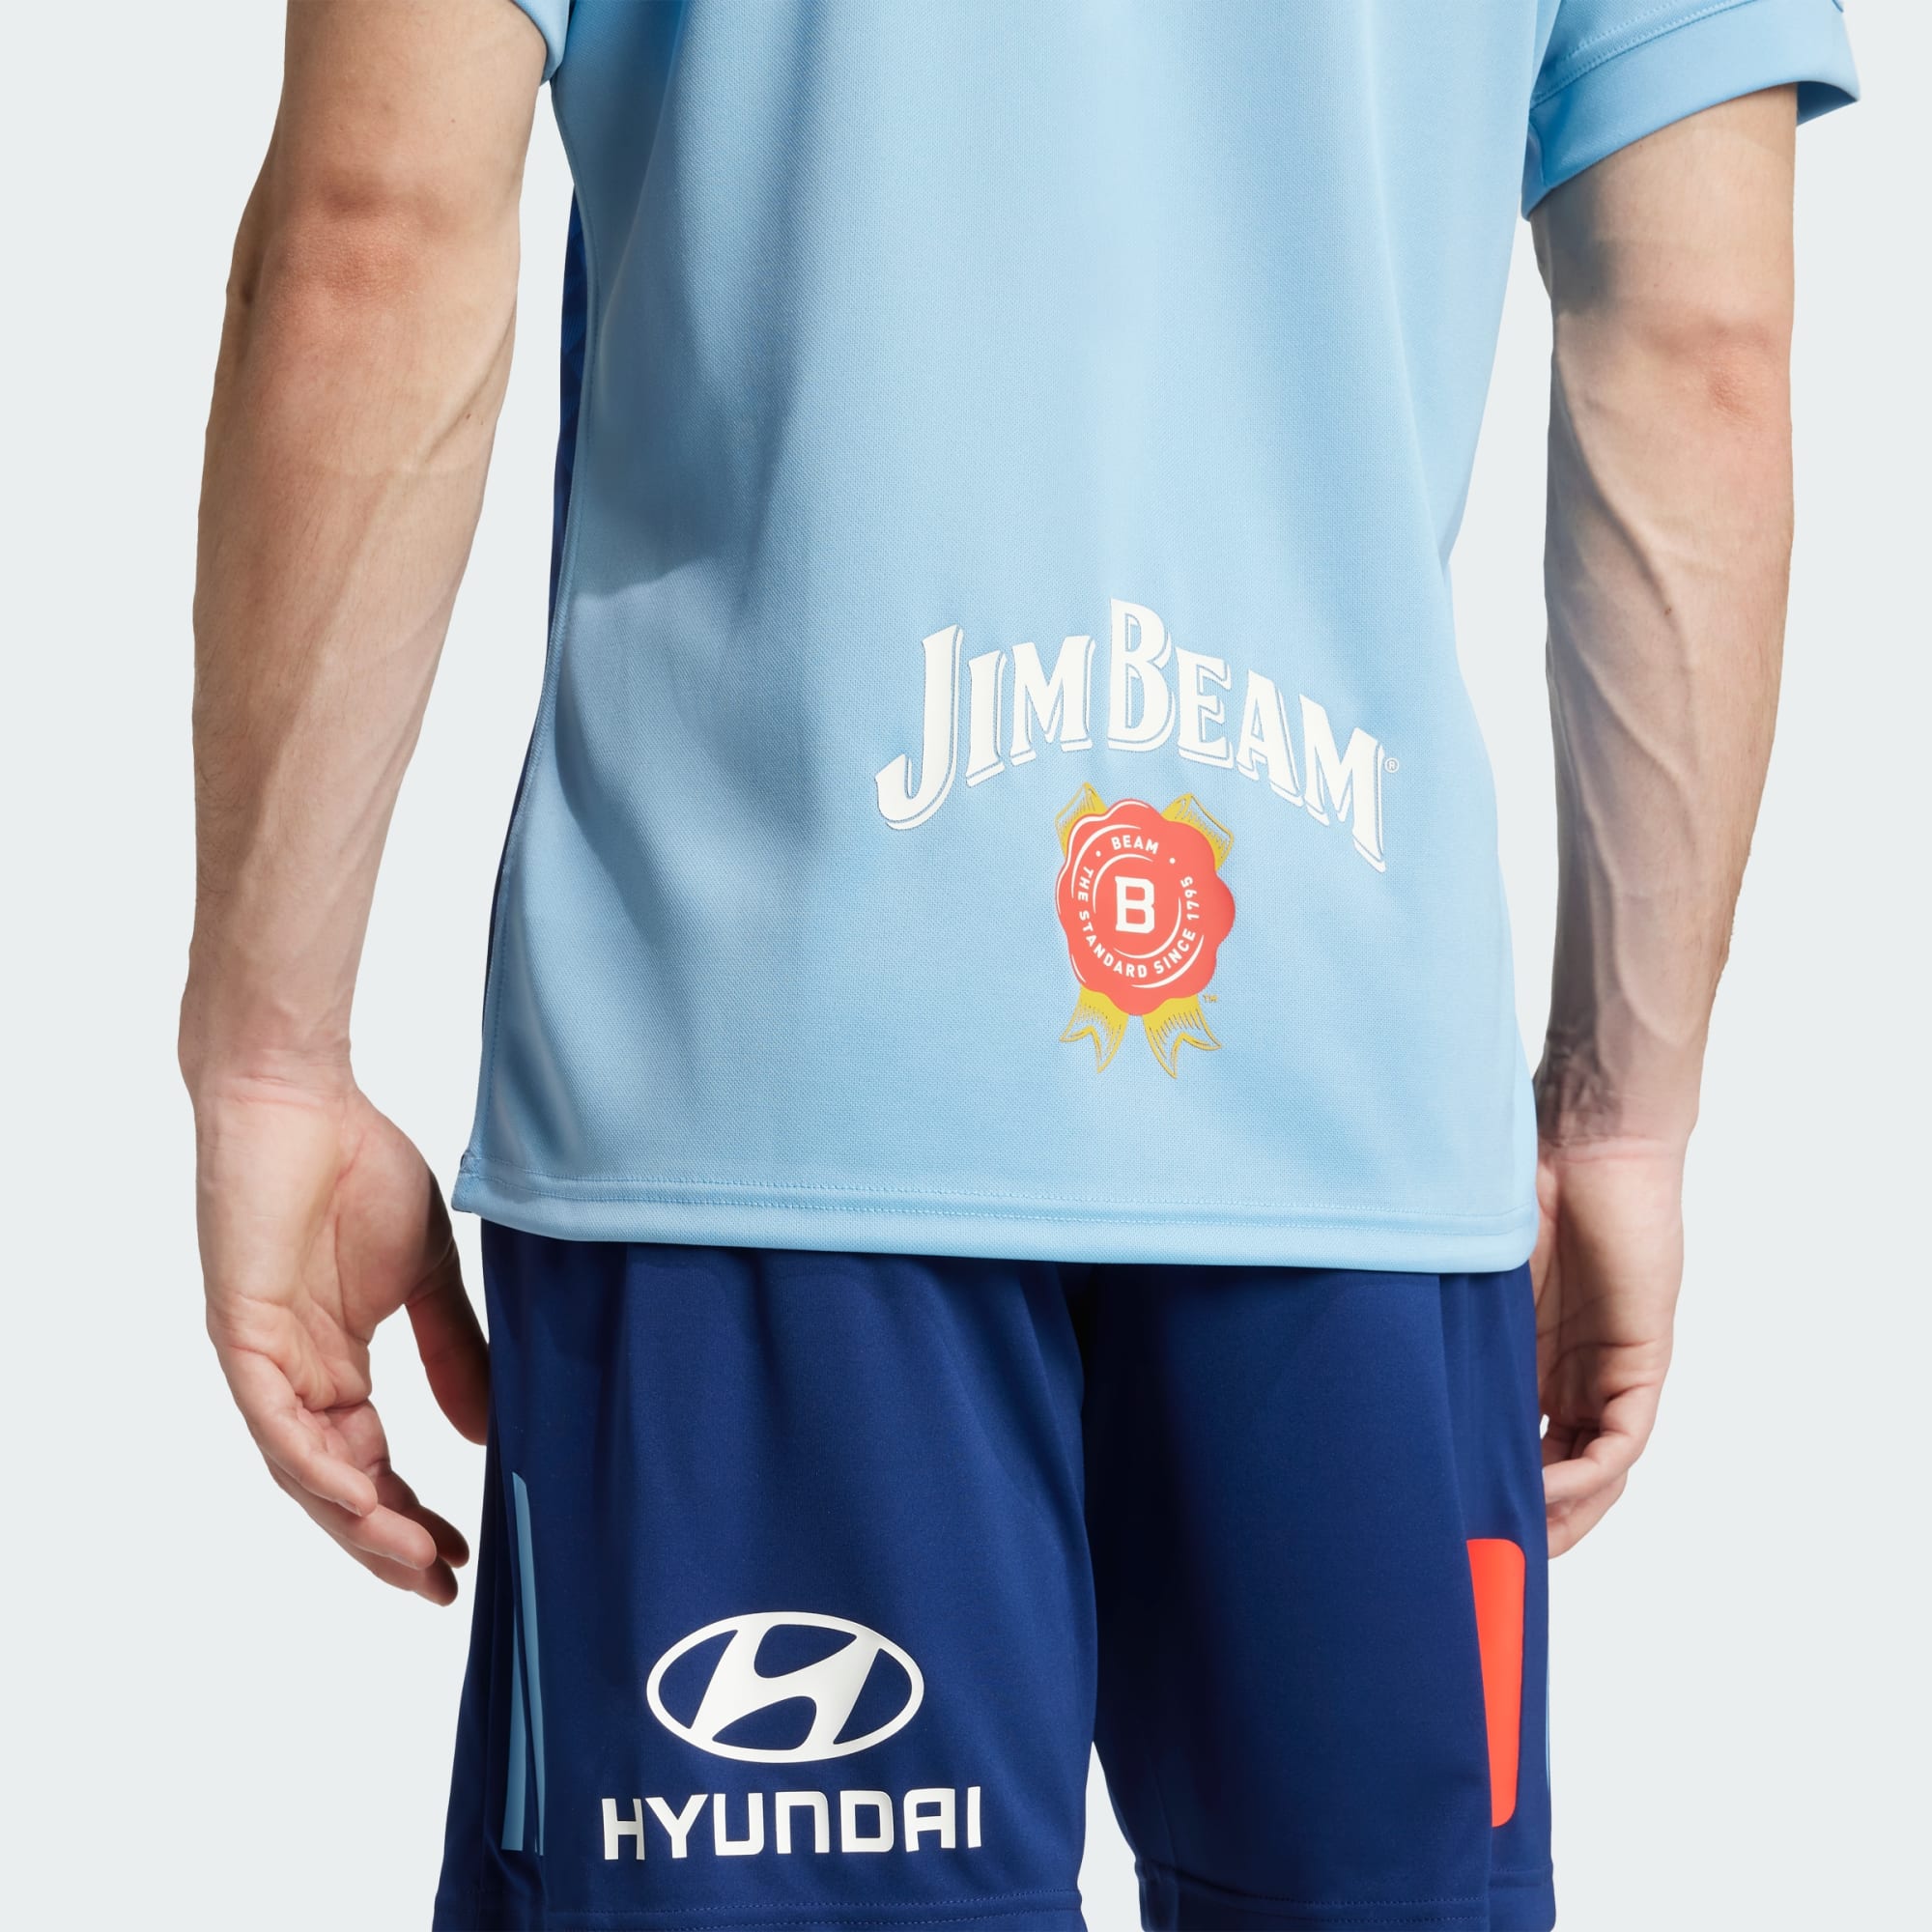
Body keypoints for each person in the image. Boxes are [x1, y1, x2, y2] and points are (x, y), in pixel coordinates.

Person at [182, 2, 1857, 1926]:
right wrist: (1624, 1108)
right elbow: (1698, 353)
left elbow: (373, 233)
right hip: (1352, 1104)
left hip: (760, 1086)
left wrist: (270, 1050)